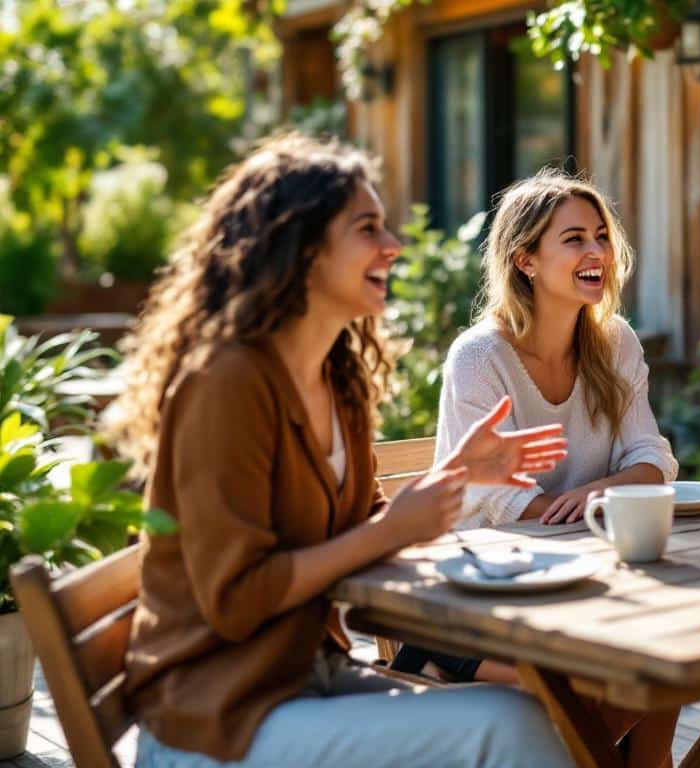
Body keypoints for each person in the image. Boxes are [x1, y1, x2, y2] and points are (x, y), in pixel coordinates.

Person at [109, 134, 574, 768]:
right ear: (299, 247)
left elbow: (362, 530)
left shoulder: (338, 375)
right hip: (215, 717)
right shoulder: (226, 384)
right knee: (507, 727)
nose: (393, 246)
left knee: (533, 713)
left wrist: (457, 475)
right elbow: (238, 596)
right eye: (367, 228)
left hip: (304, 678)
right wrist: (394, 526)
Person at [398, 168, 678, 766]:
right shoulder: (479, 357)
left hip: (590, 591)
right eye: (574, 239)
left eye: (601, 235)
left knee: (663, 671)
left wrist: (600, 492)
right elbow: (494, 502)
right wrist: (604, 511)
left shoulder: (617, 343)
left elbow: (652, 456)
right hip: (481, 606)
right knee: (602, 692)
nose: (596, 250)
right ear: (526, 260)